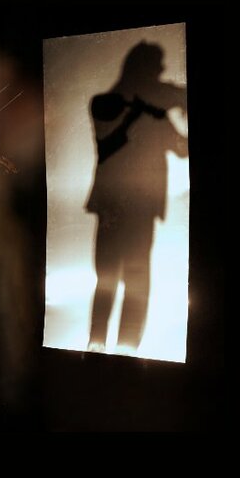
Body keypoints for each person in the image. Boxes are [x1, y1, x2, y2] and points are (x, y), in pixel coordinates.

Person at [86, 42, 188, 354]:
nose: (160, 74)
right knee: (116, 282)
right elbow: (109, 145)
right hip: (118, 207)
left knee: (129, 284)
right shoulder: (106, 103)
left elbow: (182, 148)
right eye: (155, 68)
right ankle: (101, 348)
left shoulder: (150, 111)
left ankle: (117, 349)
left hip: (131, 209)